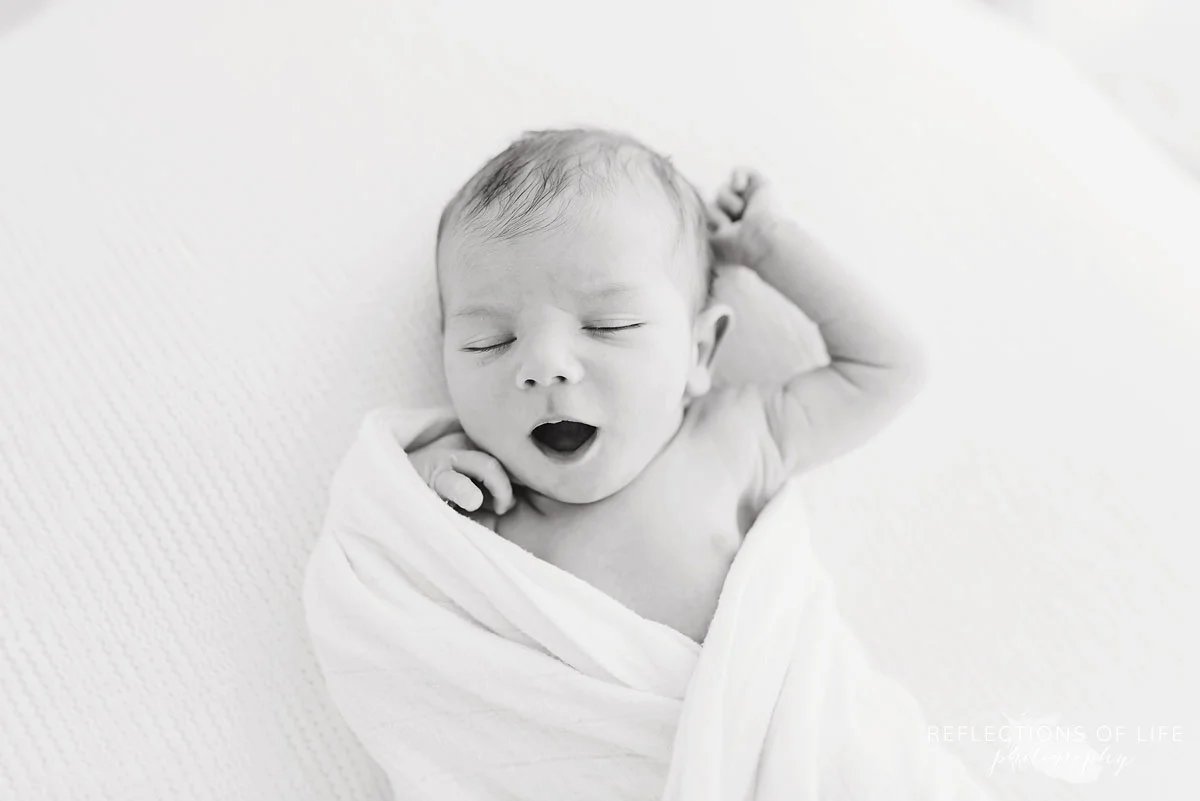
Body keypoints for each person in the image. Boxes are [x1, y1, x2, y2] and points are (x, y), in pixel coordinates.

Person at [410, 126, 928, 644]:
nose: (545, 365)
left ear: (698, 351)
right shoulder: (475, 494)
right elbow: (392, 588)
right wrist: (416, 491)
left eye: (608, 325)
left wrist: (768, 244)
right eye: (491, 342)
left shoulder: (737, 438)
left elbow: (890, 367)